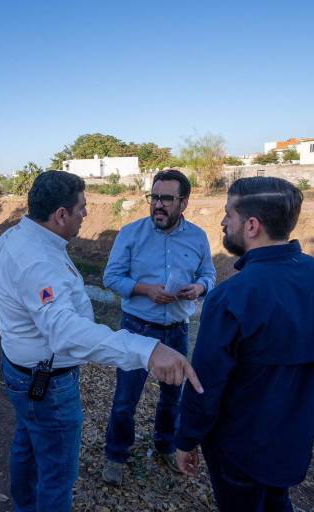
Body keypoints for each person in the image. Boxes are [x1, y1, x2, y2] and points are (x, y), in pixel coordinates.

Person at [0, 170, 203, 512]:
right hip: (47, 380)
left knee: (27, 442)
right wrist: (146, 350)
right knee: (57, 474)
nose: (87, 213)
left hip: (22, 368)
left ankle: (25, 505)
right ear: (61, 214)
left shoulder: (20, 238)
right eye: (82, 208)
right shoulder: (38, 261)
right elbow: (65, 331)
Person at [175, 177, 314, 511]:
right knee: (276, 500)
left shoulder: (231, 297)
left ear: (252, 225)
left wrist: (186, 438)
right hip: (293, 445)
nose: (223, 222)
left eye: (229, 214)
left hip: (239, 451)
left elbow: (205, 383)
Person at [101, 169, 216, 485]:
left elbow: (208, 274)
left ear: (184, 202)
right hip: (136, 327)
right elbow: (111, 277)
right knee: (125, 398)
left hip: (177, 330)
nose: (158, 205)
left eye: (167, 198)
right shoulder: (131, 233)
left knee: (172, 397)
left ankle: (165, 446)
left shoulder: (198, 237)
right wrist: (145, 290)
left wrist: (199, 288)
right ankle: (115, 455)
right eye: (154, 197)